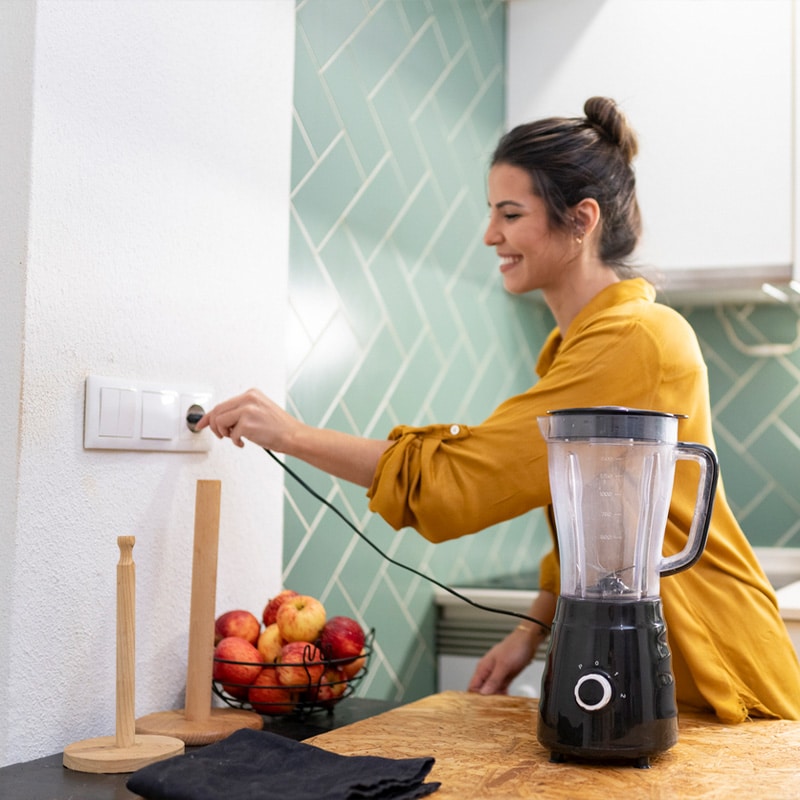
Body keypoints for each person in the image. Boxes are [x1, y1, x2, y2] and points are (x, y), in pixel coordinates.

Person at [198, 97, 800, 723]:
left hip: (716, 670)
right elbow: (588, 523)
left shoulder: (634, 340)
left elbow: (459, 481)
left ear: (582, 220)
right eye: (492, 214)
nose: (491, 235)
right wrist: (529, 632)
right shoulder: (577, 346)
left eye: (510, 214)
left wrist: (293, 434)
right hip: (659, 666)